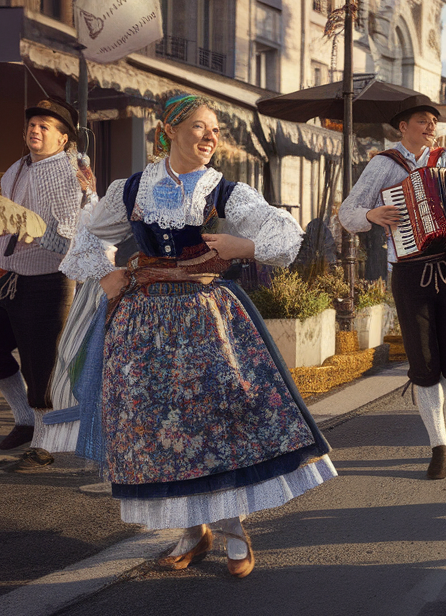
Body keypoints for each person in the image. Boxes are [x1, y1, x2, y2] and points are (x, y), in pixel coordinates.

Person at [59, 94, 334, 578]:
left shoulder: (223, 190)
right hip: (143, 322)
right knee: (159, 424)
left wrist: (242, 244)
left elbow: (285, 233)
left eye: (216, 131)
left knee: (217, 416)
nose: (211, 138)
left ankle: (233, 528)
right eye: (201, 128)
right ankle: (191, 531)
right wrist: (105, 273)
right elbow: (86, 237)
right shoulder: (133, 189)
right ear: (170, 129)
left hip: (206, 316)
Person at [339, 94, 446, 480]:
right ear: (403, 126)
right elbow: (347, 212)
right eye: (422, 120)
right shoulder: (384, 165)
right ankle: (439, 446)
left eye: (433, 121)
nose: (431, 126)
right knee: (424, 362)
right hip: (410, 271)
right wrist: (370, 213)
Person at [0, 98, 93, 460]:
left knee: (41, 365)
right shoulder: (17, 167)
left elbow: (72, 239)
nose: (35, 130)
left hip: (49, 280)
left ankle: (42, 444)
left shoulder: (68, 170)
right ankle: (25, 420)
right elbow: (2, 219)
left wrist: (29, 227)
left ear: (63, 138)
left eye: (45, 126)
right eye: (32, 124)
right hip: (13, 277)